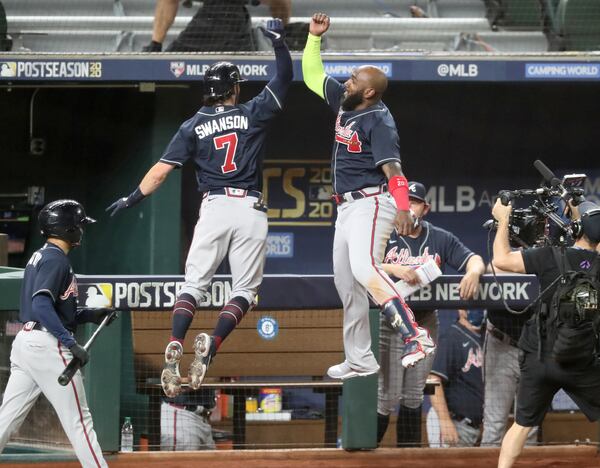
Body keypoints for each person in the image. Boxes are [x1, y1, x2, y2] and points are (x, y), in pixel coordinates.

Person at [107, 20, 292, 398]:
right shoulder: (253, 110)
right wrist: (278, 43)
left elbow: (160, 172)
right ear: (234, 88)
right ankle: (215, 343)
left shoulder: (191, 126)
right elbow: (285, 78)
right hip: (250, 209)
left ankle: (177, 338)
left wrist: (132, 198)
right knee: (244, 290)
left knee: (193, 285)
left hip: (214, 207)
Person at [302, 13, 435, 381]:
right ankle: (359, 358)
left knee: (364, 269)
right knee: (347, 283)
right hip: (346, 208)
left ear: (370, 91)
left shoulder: (379, 120)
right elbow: (313, 76)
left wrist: (404, 207)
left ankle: (415, 336)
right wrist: (314, 38)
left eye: (355, 79)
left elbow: (394, 172)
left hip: (372, 202)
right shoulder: (347, 102)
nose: (348, 81)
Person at [0, 200, 114, 467]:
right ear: (67, 228)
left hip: (27, 343)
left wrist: (91, 314)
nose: (82, 230)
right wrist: (70, 343)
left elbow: (53, 308)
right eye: (79, 224)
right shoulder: (55, 260)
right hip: (47, 346)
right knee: (80, 423)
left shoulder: (42, 255)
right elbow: (41, 305)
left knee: (7, 418)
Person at [493, 199, 600, 468]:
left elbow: (501, 260)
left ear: (576, 228)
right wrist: (581, 216)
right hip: (580, 360)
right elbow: (591, 240)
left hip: (540, 357)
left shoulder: (550, 255)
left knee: (520, 426)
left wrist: (504, 218)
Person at [377, 181, 485, 446]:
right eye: (404, 201)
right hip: (391, 319)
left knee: (414, 395)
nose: (408, 206)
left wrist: (473, 272)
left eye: (413, 202)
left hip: (424, 321)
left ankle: (408, 458)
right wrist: (395, 269)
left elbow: (474, 260)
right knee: (387, 396)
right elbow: (363, 264)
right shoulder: (383, 233)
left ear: (425, 208)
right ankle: (366, 453)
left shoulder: (439, 237)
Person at [481, 266, 537, 447]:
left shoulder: (544, 248)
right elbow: (489, 268)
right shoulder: (505, 250)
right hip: (501, 344)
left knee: (529, 428)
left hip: (534, 349)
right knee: (494, 425)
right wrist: (522, 267)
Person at [426, 309, 484, 448]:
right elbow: (431, 380)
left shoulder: (486, 338)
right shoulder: (451, 337)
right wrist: (445, 420)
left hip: (471, 428)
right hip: (450, 423)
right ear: (460, 309)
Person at [142, 0, 291, 52]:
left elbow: (280, 3)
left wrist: (282, 38)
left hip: (234, 27)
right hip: (204, 27)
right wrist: (156, 43)